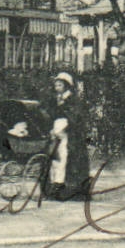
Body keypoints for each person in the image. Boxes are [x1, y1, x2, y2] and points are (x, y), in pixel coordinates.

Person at [45, 71, 91, 201]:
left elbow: (75, 117)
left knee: (66, 158)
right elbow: (52, 114)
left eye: (59, 85)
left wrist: (64, 127)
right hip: (57, 131)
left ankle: (70, 190)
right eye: (56, 85)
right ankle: (55, 186)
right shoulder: (57, 99)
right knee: (55, 158)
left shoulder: (73, 100)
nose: (57, 88)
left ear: (66, 86)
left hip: (70, 134)